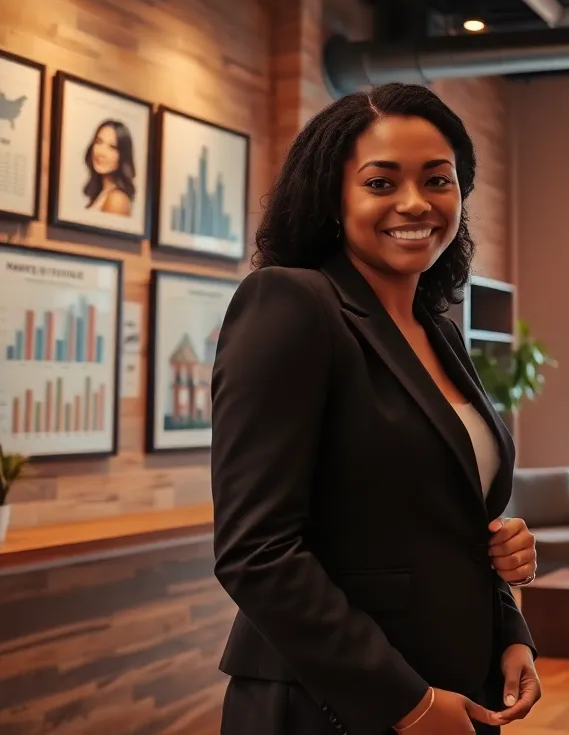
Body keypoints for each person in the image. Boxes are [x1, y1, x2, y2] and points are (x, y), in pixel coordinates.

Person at [210, 83, 541, 735]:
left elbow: (454, 520)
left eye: (438, 180)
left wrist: (510, 628)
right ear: (334, 199)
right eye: (381, 183)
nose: (415, 202)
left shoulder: (439, 331)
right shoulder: (291, 304)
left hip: (458, 689)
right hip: (336, 704)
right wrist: (405, 702)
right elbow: (257, 550)